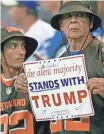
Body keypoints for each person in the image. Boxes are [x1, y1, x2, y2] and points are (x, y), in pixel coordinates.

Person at [0, 26, 50, 134]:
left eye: (23, 46)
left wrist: (35, 93)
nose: (21, 52)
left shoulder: (39, 78)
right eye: (13, 46)